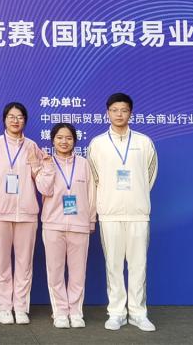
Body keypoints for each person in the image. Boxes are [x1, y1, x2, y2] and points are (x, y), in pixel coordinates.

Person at [87, 93, 159, 332]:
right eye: (115, 110)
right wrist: (109, 199)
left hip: (138, 213)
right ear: (107, 113)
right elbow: (94, 178)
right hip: (109, 213)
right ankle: (116, 312)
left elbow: (149, 175)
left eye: (124, 110)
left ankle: (138, 313)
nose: (119, 114)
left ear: (131, 113)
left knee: (139, 265)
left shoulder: (144, 142)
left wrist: (137, 194)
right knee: (113, 265)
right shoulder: (97, 144)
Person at [0, 102, 43, 325]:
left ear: (25, 120)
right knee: (2, 262)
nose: (15, 120)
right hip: (0, 212)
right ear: (4, 119)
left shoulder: (32, 146)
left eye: (20, 117)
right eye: (11, 116)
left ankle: (21, 307)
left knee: (25, 263)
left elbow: (40, 178)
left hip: (27, 213)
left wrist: (40, 164)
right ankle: (5, 307)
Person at [35, 122, 97, 329]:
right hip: (53, 225)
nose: (64, 141)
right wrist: (48, 167)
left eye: (69, 138)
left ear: (75, 141)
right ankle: (60, 311)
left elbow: (91, 193)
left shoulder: (84, 164)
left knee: (78, 272)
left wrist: (91, 219)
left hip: (80, 225)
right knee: (55, 271)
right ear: (53, 140)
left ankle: (76, 311)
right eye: (60, 137)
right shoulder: (46, 163)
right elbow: (44, 189)